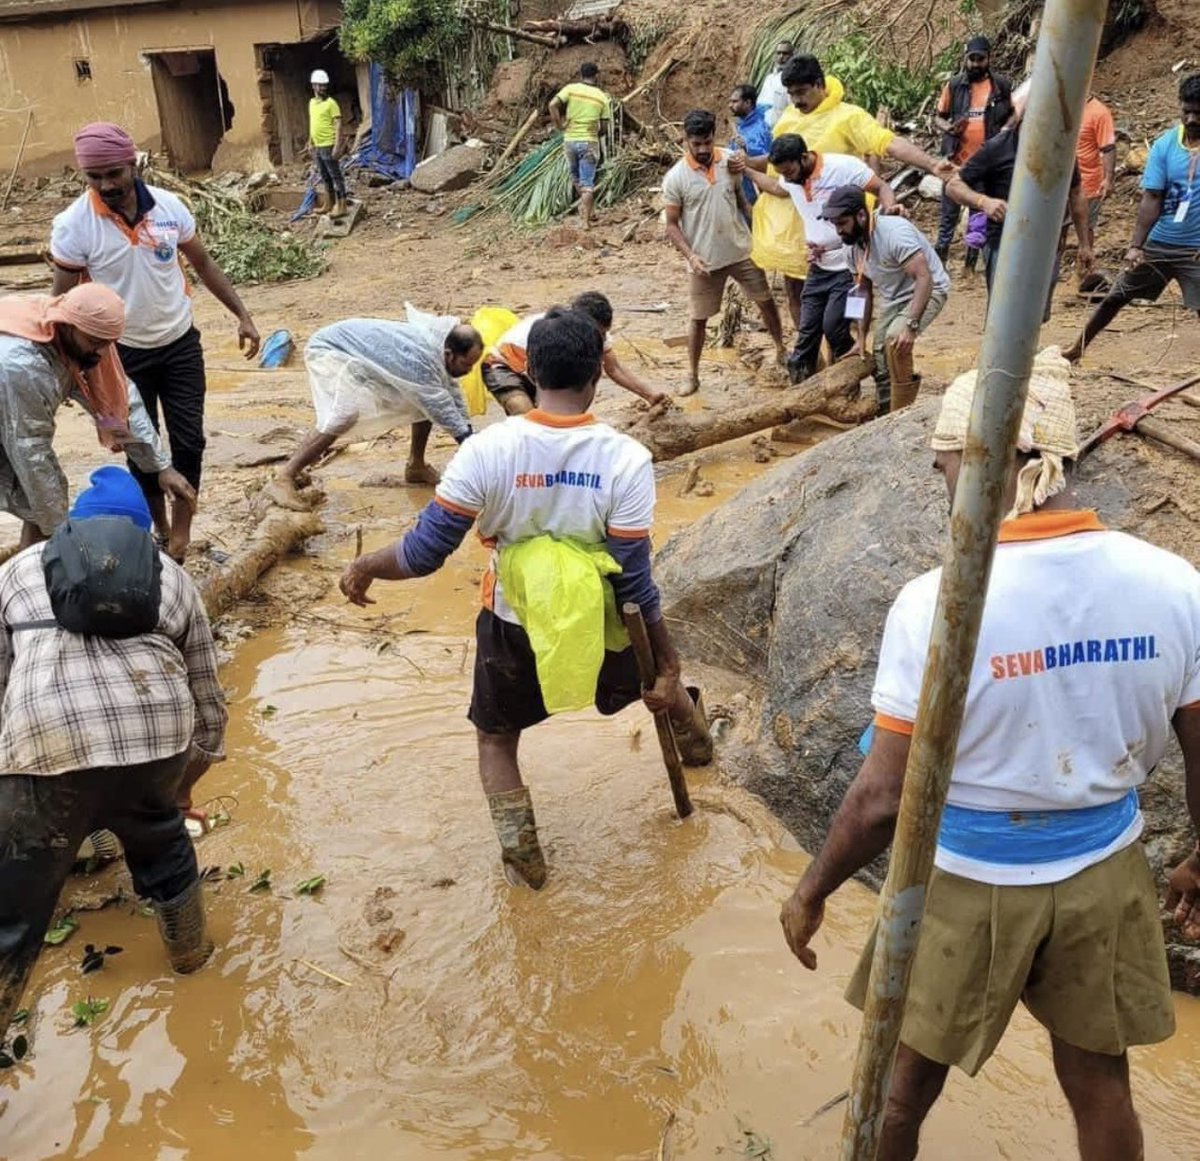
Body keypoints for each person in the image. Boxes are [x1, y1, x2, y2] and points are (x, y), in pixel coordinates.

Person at [778, 353, 1200, 1161]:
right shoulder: (1175, 584)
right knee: (1100, 1085)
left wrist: (810, 890)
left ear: (985, 464)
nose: (944, 488)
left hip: (966, 877)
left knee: (898, 1092)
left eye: (947, 469)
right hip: (1103, 872)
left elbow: (881, 797)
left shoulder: (937, 602)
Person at [338, 309, 711, 889]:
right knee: (656, 689)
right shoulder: (626, 459)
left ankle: (526, 863)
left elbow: (423, 554)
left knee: (496, 739)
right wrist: (667, 660)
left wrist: (365, 566)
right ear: (597, 375)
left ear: (530, 371)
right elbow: (634, 580)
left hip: (514, 620)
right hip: (607, 618)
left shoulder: (488, 451)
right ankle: (700, 748)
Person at [0, 465, 228, 1035]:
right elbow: (208, 701)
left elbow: (3, 686)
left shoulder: (18, 570)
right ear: (142, 534)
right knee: (160, 840)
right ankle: (191, 959)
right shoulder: (171, 577)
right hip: (152, 745)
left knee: (14, 908)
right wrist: (181, 789)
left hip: (42, 743)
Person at [50, 122, 261, 562]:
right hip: (115, 354)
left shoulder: (170, 208)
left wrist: (243, 315)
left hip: (179, 343)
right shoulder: (74, 226)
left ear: (133, 164)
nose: (106, 184)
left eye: (114, 173)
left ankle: (181, 534)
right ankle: (159, 530)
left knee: (189, 442)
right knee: (140, 447)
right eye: (95, 177)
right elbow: (63, 303)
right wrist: (65, 364)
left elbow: (202, 262)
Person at [749, 54, 950, 346]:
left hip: (846, 228)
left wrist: (931, 165)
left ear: (819, 84)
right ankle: (814, 357)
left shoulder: (847, 117)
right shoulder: (789, 119)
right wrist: (746, 166)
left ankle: (854, 349)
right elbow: (776, 168)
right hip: (803, 227)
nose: (795, 100)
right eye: (791, 94)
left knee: (850, 299)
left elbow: (887, 143)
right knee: (798, 295)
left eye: (801, 92)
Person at [0, 285, 194, 548]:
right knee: (45, 496)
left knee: (43, 502)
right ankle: (32, 574)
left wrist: (161, 466)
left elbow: (118, 410)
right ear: (66, 325)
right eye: (95, 343)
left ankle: (37, 574)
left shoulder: (88, 340)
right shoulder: (25, 364)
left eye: (107, 344)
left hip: (17, 416)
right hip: (12, 400)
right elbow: (31, 451)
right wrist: (63, 535)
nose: (102, 354)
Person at [267, 310, 483, 511]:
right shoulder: (421, 358)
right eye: (466, 364)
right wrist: (474, 449)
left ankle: (416, 467)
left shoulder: (438, 351)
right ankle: (285, 476)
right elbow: (439, 404)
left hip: (360, 358)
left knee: (423, 401)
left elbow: (450, 394)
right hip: (330, 350)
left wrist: (470, 436)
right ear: (449, 354)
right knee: (343, 416)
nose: (469, 371)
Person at [739, 136, 903, 383]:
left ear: (804, 158)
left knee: (835, 328)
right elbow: (776, 187)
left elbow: (881, 187)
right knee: (806, 334)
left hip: (849, 264)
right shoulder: (790, 176)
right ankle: (801, 395)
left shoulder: (843, 167)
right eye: (783, 173)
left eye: (791, 171)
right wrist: (747, 171)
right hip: (818, 265)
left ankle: (852, 383)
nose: (789, 178)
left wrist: (890, 215)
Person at [1065, 74, 1200, 363]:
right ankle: (1078, 347)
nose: (1191, 119)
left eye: (1198, 113)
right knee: (1116, 296)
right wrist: (1136, 246)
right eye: (1186, 111)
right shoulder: (1166, 146)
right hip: (1162, 242)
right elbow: (1152, 198)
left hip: (1197, 250)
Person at [662, 109, 786, 397]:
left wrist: (761, 234)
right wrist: (691, 256)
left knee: (766, 301)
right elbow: (671, 225)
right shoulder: (676, 178)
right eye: (697, 144)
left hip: (741, 250)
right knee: (698, 318)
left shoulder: (730, 162)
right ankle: (692, 375)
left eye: (707, 142)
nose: (703, 149)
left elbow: (742, 201)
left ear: (713, 137)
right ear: (685, 141)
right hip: (703, 259)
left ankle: (781, 349)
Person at [945, 107, 1092, 324]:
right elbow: (953, 186)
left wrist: (1084, 244)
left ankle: (1024, 356)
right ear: (1023, 120)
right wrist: (983, 202)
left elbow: (1076, 193)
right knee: (1004, 313)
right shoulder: (997, 148)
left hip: (1047, 244)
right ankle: (997, 357)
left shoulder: (1061, 148)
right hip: (1004, 243)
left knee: (1036, 314)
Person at [825, 185, 949, 414]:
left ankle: (902, 414)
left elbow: (924, 278)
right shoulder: (851, 248)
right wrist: (860, 337)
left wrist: (911, 326)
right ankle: (885, 412)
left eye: (842, 223)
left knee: (896, 341)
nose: (838, 231)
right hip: (895, 299)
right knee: (879, 354)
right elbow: (861, 291)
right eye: (835, 225)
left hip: (929, 289)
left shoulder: (894, 233)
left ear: (861, 215)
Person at [482, 291, 668, 415]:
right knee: (524, 412)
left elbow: (615, 369)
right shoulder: (549, 332)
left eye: (603, 333)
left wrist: (650, 395)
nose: (600, 338)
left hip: (536, 373)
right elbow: (539, 373)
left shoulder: (596, 334)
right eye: (597, 333)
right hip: (504, 366)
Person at [931, 36, 1014, 263]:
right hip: (956, 161)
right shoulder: (955, 85)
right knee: (948, 215)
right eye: (972, 59)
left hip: (985, 165)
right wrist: (949, 128)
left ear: (989, 59)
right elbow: (938, 117)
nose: (975, 64)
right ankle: (941, 262)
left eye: (980, 59)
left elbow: (1011, 118)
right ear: (965, 58)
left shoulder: (1001, 87)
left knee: (979, 215)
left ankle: (970, 263)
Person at [549, 62, 611, 229]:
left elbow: (552, 104)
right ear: (596, 75)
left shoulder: (570, 89)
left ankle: (590, 213)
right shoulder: (602, 97)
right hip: (589, 142)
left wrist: (560, 126)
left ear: (581, 74)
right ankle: (585, 222)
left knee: (577, 179)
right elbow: (604, 128)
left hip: (569, 141)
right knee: (588, 184)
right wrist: (595, 135)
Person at [1076, 93, 1117, 243]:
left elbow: (1108, 147)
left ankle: (1086, 263)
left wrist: (1108, 179)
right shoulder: (1062, 106)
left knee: (1085, 228)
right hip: (1061, 182)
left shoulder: (1099, 112)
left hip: (1087, 183)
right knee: (1059, 228)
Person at [729, 85, 774, 216]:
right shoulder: (744, 125)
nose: (730, 105)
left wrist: (745, 152)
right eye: (730, 101)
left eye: (735, 101)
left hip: (755, 194)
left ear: (748, 102)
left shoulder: (758, 130)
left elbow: (764, 165)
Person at [308, 68, 347, 219]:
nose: (322, 88)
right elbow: (312, 123)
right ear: (314, 86)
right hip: (317, 145)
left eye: (324, 85)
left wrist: (337, 145)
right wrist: (310, 141)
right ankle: (328, 203)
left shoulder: (331, 103)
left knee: (335, 175)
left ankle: (342, 205)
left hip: (328, 144)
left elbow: (338, 125)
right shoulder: (311, 103)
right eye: (319, 85)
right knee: (324, 175)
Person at [756, 41, 795, 130]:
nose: (781, 57)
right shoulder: (769, 78)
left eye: (785, 54)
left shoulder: (793, 79)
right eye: (778, 53)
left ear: (792, 56)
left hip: (781, 129)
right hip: (763, 129)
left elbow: (793, 108)